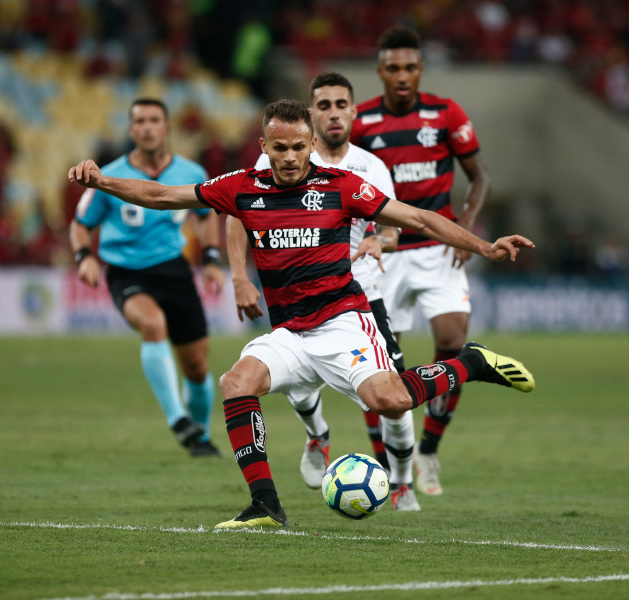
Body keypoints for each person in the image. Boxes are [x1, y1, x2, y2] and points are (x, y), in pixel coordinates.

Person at [68, 99, 536, 529]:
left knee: (390, 401)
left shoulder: (343, 186)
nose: (289, 157)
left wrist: (484, 247)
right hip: (290, 333)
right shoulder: (242, 187)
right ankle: (265, 504)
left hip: (343, 322)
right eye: (279, 148)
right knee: (235, 384)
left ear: (312, 143)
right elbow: (163, 197)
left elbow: (416, 219)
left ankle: (470, 363)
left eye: (297, 147)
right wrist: (102, 181)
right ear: (263, 146)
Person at [227, 72, 420, 511]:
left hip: (361, 295)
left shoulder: (370, 168)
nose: (333, 112)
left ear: (353, 111)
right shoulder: (276, 161)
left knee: (393, 401)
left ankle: (403, 481)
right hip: (295, 299)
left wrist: (379, 240)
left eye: (341, 104)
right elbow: (236, 211)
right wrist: (239, 275)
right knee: (296, 387)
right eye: (324, 105)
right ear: (312, 115)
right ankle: (317, 435)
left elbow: (392, 228)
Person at [350, 26, 492, 496]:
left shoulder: (445, 113)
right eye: (393, 68)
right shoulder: (361, 121)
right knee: (379, 362)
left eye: (410, 67)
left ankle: (428, 449)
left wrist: (466, 226)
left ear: (420, 69)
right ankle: (383, 464)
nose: (402, 76)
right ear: (379, 72)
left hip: (436, 249)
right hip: (384, 252)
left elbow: (479, 179)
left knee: (453, 341)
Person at [69, 98, 225, 457]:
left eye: (154, 120)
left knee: (198, 367)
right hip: (126, 271)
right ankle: (176, 419)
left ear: (167, 128)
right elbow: (80, 224)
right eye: (139, 121)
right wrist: (84, 257)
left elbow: (205, 215)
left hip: (174, 269)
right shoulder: (107, 176)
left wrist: (212, 258)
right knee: (153, 325)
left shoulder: (191, 172)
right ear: (131, 129)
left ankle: (199, 438)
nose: (147, 127)